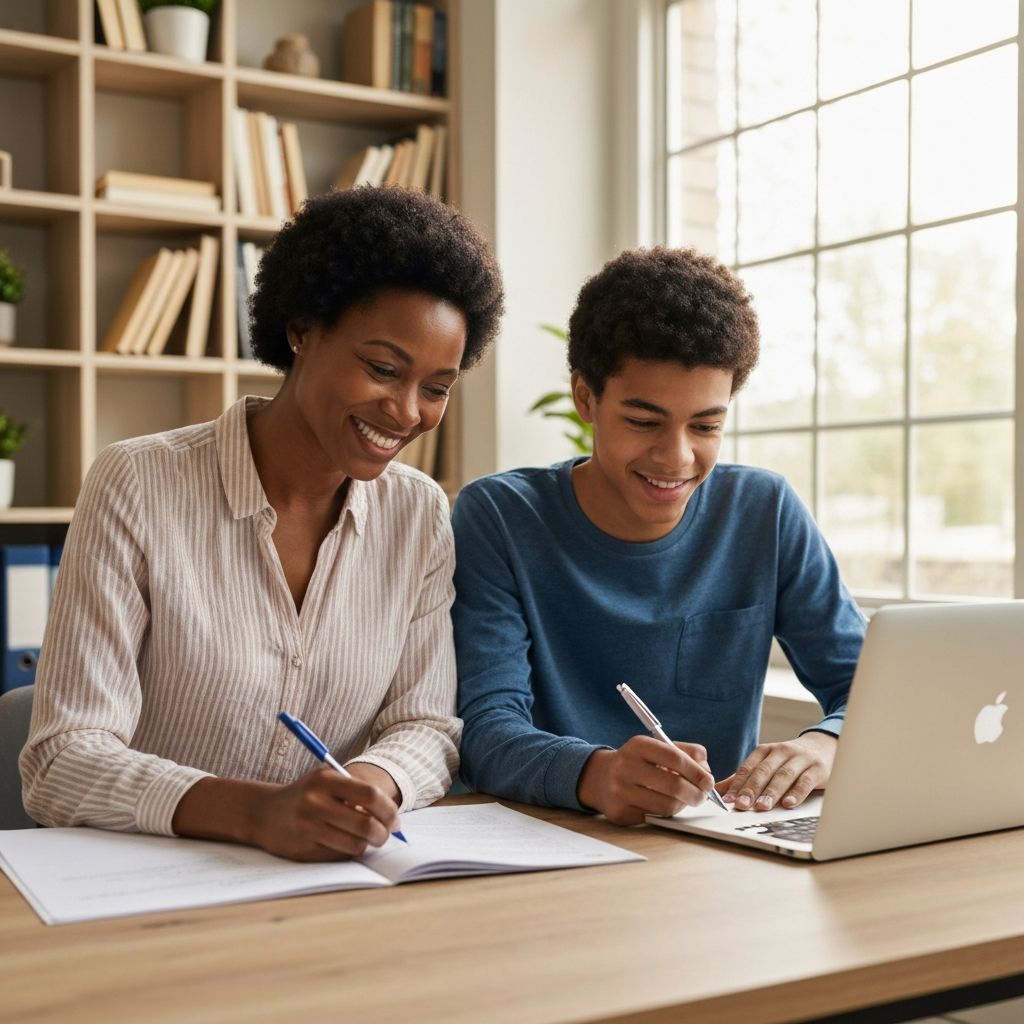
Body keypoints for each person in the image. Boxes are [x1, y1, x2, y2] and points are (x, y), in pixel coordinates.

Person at [21, 186, 504, 860]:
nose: (405, 411)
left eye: (436, 388)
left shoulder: (418, 513)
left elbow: (425, 724)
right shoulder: (137, 483)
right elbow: (61, 761)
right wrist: (256, 814)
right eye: (383, 369)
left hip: (320, 881)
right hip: (141, 885)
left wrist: (370, 780)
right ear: (302, 331)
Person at [452, 246, 865, 826]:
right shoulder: (500, 517)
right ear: (586, 398)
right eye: (644, 422)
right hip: (553, 844)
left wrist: (826, 745)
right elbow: (484, 732)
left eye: (706, 426)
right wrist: (597, 775)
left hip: (718, 842)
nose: (676, 458)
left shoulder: (764, 511)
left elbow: (868, 686)